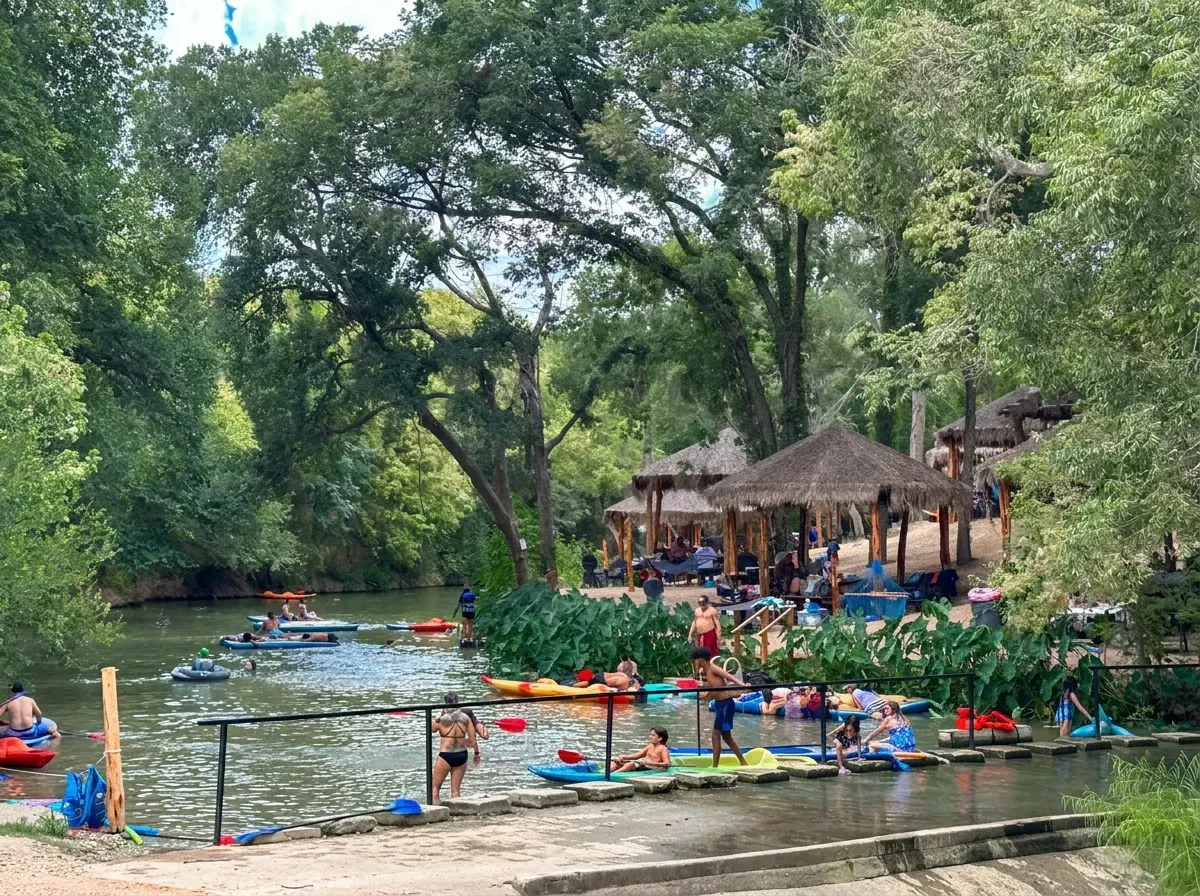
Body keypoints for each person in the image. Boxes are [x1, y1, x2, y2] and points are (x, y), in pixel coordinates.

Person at [693, 646, 747, 767]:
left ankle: (715, 766)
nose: (695, 663)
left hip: (725, 705)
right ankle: (743, 762)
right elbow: (714, 688)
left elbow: (729, 676)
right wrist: (704, 693)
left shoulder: (713, 668)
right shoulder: (707, 671)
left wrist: (743, 686)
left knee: (715, 736)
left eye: (695, 660)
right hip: (719, 705)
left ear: (700, 660)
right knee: (726, 737)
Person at [431, 693, 478, 802]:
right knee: (455, 790)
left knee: (435, 788)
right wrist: (476, 753)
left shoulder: (442, 719)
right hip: (461, 754)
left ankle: (436, 810)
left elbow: (432, 729)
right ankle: (456, 810)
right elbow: (472, 739)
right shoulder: (466, 718)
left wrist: (438, 715)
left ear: (445, 704)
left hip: (445, 755)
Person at [577, 671, 642, 691]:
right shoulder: (624, 681)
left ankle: (573, 684)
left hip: (601, 675)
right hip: (602, 680)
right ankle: (573, 685)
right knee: (585, 683)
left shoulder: (624, 675)